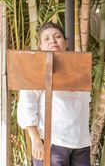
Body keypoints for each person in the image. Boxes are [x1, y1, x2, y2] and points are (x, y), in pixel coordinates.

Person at [17, 22, 91, 166]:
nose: (53, 40)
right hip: (52, 142)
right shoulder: (35, 69)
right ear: (41, 45)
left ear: (65, 42)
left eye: (57, 37)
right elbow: (27, 104)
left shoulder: (79, 68)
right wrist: (36, 140)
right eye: (47, 38)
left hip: (80, 143)